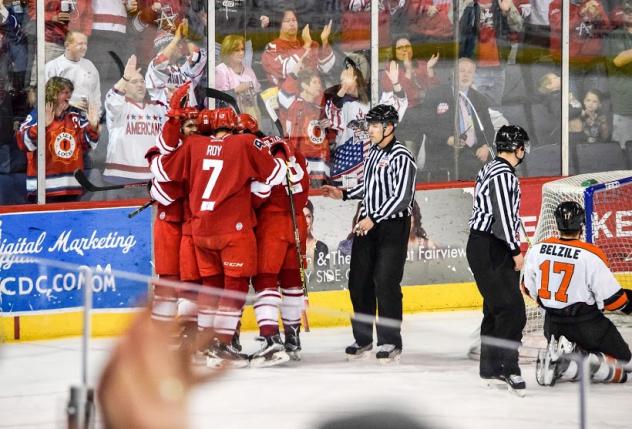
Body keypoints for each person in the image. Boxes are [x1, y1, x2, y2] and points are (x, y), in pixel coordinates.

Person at [150, 107, 289, 367]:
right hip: (233, 230)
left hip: (201, 231)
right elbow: (275, 175)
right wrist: (280, 153)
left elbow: (161, 171)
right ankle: (223, 345)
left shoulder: (193, 145)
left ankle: (205, 344)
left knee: (211, 288)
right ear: (235, 127)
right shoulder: (245, 143)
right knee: (235, 288)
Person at [321, 104, 417, 362]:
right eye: (370, 125)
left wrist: (373, 218)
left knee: (385, 282)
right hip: (368, 224)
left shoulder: (402, 156)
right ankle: (363, 338)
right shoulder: (373, 153)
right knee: (358, 281)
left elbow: (402, 197)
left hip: (392, 227)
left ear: (389, 127)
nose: (371, 130)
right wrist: (343, 194)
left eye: (375, 125)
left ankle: (390, 341)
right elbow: (369, 187)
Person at [522, 201, 632, 385]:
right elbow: (614, 301)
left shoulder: (537, 249)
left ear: (557, 224)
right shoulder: (591, 255)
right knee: (625, 367)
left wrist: (549, 306)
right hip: (588, 327)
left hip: (552, 327)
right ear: (581, 225)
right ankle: (573, 358)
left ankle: (564, 358)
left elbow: (526, 287)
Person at [466, 124, 529, 395]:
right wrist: (516, 251)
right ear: (517, 148)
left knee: (495, 307)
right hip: (492, 246)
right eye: (523, 146)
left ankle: (490, 366)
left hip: (484, 244)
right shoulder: (504, 175)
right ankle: (508, 366)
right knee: (512, 310)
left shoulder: (491, 168)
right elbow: (502, 218)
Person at [16, 76, 99, 202]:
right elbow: (23, 143)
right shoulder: (37, 115)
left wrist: (93, 127)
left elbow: (88, 144)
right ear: (54, 94)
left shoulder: (74, 117)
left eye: (70, 92)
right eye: (65, 92)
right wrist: (41, 126)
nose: (69, 96)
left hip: (71, 187)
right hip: (44, 190)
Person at [420, 58, 495, 181]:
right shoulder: (436, 94)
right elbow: (426, 125)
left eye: (470, 72)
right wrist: (448, 139)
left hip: (477, 150)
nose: (466, 75)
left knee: (502, 164)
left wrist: (486, 146)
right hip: (446, 149)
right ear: (453, 73)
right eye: (462, 71)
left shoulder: (479, 99)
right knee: (470, 165)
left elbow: (489, 128)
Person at [103, 55, 167, 194]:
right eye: (134, 82)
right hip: (120, 177)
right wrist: (125, 78)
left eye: (142, 81)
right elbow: (112, 100)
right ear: (125, 87)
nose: (140, 85)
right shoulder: (119, 107)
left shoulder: (158, 108)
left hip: (152, 178)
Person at [278, 69, 330, 188]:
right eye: (315, 82)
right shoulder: (297, 107)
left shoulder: (318, 108)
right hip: (305, 164)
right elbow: (294, 137)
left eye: (319, 83)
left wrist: (329, 124)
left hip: (319, 164)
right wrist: (293, 160)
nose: (319, 86)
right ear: (305, 86)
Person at [260, 9, 334, 87]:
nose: (292, 24)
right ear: (280, 24)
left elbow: (326, 67)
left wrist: (325, 41)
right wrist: (306, 46)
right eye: (287, 21)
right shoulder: (272, 47)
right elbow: (286, 71)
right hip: (287, 96)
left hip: (314, 94)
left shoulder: (309, 42)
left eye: (294, 20)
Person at [45, 30, 101, 115]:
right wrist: (72, 103)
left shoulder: (90, 66)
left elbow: (96, 96)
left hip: (85, 119)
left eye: (85, 44)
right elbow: (47, 97)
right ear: (67, 45)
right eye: (80, 44)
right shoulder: (52, 67)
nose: (84, 47)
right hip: (61, 120)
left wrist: (96, 118)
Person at [215, 34, 262, 121]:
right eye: (237, 50)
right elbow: (218, 99)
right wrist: (237, 90)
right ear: (228, 51)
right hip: (230, 119)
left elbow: (258, 95)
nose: (241, 53)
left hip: (251, 118)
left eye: (242, 49)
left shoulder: (249, 71)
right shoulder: (221, 70)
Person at [605, 0, 632, 149]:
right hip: (624, 104)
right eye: (627, 11)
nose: (630, 14)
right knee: (623, 153)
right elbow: (619, 60)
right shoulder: (615, 36)